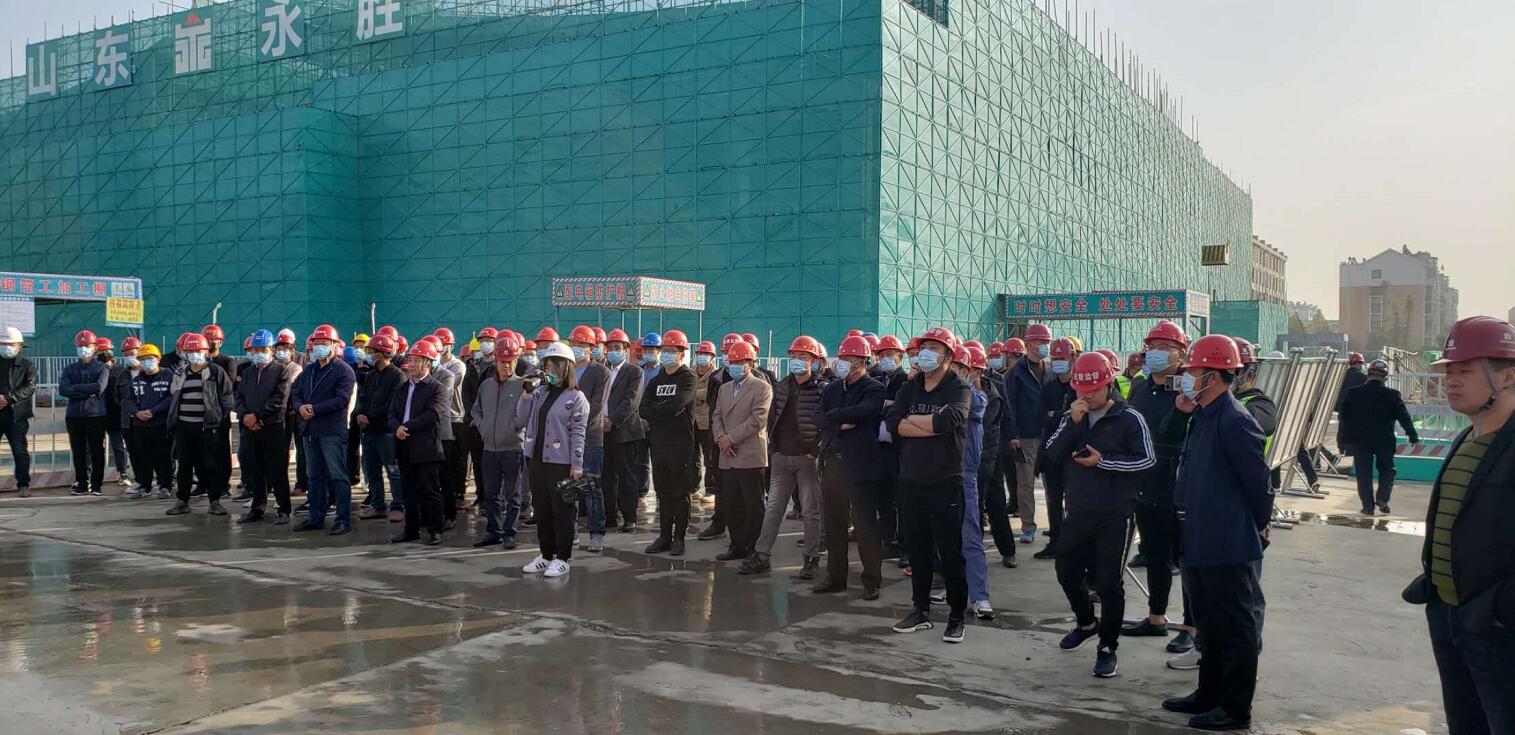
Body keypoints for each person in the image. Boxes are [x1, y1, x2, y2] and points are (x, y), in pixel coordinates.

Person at [1400, 315, 1515, 735]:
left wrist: (1498, 610)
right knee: (1465, 722)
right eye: (1449, 371)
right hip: (1450, 616)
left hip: (1499, 631)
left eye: (1465, 370)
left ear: (1508, 376)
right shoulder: (1466, 439)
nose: (1451, 381)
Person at [1161, 335, 1271, 732]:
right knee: (1208, 624)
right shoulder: (1203, 415)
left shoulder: (1235, 420)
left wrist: (1259, 524)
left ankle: (1235, 707)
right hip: (1198, 537)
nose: (1186, 377)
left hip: (1227, 542)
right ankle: (1208, 693)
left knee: (1235, 628)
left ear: (1213, 375)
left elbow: (1258, 482)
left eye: (1192, 371)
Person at [1046, 351, 1155, 679]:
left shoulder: (1129, 417)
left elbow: (1146, 460)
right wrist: (1072, 424)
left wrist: (1103, 462)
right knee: (1066, 570)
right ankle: (1086, 622)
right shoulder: (1073, 416)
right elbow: (1051, 455)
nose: (1087, 396)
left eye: (1093, 390)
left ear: (1109, 384)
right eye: (1081, 390)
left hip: (1115, 512)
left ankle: (1108, 645)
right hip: (1079, 509)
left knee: (1108, 582)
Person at [887, 327, 972, 643]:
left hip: (945, 481)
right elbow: (892, 423)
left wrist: (913, 423)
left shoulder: (958, 388)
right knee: (918, 550)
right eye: (925, 348)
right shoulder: (910, 388)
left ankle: (956, 616)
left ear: (948, 356)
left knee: (950, 553)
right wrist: (928, 426)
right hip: (911, 480)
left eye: (934, 349)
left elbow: (948, 421)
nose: (926, 354)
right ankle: (920, 610)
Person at [1124, 320, 1191, 645]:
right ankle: (1156, 617)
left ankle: (1191, 628)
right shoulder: (1140, 387)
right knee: (1155, 553)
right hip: (1144, 481)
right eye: (1153, 347)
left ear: (1182, 354)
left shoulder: (1188, 388)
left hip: (1178, 481)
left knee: (1187, 558)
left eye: (1166, 348)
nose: (1157, 353)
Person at [742, 335, 827, 576]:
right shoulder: (781, 386)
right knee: (774, 509)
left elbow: (825, 422)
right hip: (781, 456)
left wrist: (814, 451)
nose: (797, 360)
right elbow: (772, 418)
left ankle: (811, 558)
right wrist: (774, 448)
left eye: (803, 356)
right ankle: (761, 555)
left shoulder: (821, 389)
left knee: (810, 511)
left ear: (813, 360)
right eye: (794, 356)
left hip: (807, 459)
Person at [816, 335, 886, 598]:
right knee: (834, 525)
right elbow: (819, 417)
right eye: (842, 358)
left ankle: (872, 581)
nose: (843, 363)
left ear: (862, 361)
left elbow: (864, 412)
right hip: (833, 462)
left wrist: (834, 418)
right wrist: (839, 421)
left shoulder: (874, 388)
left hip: (861, 466)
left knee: (865, 526)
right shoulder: (833, 389)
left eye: (849, 359)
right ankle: (836, 577)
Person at [519, 343, 589, 578]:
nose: (549, 371)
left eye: (553, 367)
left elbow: (578, 433)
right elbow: (521, 418)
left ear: (565, 368)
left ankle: (562, 558)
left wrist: (576, 465)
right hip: (537, 458)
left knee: (562, 512)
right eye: (546, 367)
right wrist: (526, 394)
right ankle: (546, 554)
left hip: (561, 462)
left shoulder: (576, 398)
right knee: (542, 510)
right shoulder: (540, 393)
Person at [290, 325, 358, 535]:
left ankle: (343, 519)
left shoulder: (343, 371)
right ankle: (315, 517)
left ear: (335, 345)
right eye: (316, 344)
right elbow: (295, 391)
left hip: (331, 431)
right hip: (310, 431)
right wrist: (300, 407)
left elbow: (342, 399)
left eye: (324, 344)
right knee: (314, 476)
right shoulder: (309, 370)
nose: (319, 347)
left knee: (338, 476)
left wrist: (315, 409)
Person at [711, 339, 773, 566]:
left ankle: (755, 548)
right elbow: (716, 415)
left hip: (749, 454)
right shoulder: (724, 388)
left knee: (753, 505)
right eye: (732, 362)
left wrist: (731, 438)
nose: (734, 366)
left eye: (739, 362)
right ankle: (736, 545)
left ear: (750, 363)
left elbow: (758, 420)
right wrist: (720, 438)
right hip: (727, 454)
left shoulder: (762, 387)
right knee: (732, 503)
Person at [639, 330, 699, 555]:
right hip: (659, 443)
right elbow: (644, 408)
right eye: (665, 350)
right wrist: (662, 411)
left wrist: (659, 410)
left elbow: (677, 405)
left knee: (680, 493)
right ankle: (664, 536)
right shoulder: (657, 380)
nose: (667, 354)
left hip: (680, 444)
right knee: (663, 492)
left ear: (682, 354)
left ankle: (679, 537)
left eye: (672, 351)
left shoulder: (688, 378)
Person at [164, 333, 235, 516]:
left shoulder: (215, 371)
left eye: (198, 351)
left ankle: (214, 501)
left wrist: (218, 419)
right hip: (184, 427)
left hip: (207, 428)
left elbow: (227, 398)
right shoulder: (180, 372)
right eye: (190, 351)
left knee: (210, 464)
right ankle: (182, 501)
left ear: (205, 351)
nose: (194, 354)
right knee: (184, 465)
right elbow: (174, 396)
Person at [1339, 359, 1419, 515]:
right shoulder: (1392, 395)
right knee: (1388, 469)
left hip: (1360, 440)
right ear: (1385, 377)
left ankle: (1368, 507)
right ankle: (1382, 498)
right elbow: (1404, 417)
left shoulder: (1353, 393)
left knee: (1363, 474)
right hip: (1384, 440)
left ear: (1368, 374)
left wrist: (1344, 439)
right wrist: (1412, 434)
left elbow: (1344, 417)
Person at [389, 339, 449, 546]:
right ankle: (411, 529)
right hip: (404, 446)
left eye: (416, 360)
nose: (411, 364)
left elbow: (433, 413)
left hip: (426, 447)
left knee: (430, 491)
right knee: (408, 490)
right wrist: (396, 427)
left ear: (427, 363)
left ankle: (435, 530)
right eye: (411, 359)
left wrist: (407, 427)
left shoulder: (437, 388)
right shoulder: (403, 387)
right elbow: (392, 412)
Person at [471, 336, 528, 549]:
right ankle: (493, 531)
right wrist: (483, 426)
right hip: (489, 449)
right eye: (503, 361)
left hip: (513, 448)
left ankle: (510, 533)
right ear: (495, 361)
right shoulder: (486, 386)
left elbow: (526, 415)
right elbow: (476, 409)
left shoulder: (522, 386)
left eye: (510, 361)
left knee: (513, 495)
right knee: (491, 494)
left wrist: (514, 427)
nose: (507, 366)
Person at [234, 329, 296, 524]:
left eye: (263, 349)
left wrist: (258, 417)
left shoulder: (281, 370)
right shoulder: (247, 372)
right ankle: (257, 508)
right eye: (256, 349)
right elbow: (239, 397)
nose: (259, 353)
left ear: (272, 349)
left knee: (277, 470)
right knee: (255, 470)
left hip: (272, 427)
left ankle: (284, 509)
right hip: (250, 428)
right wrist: (245, 416)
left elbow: (280, 399)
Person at [1003, 323, 1052, 544]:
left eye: (1047, 343)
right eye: (1041, 342)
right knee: (1026, 484)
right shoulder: (1015, 373)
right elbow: (1009, 405)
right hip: (1025, 435)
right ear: (1029, 344)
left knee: (1052, 483)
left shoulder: (1050, 370)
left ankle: (1056, 526)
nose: (1044, 347)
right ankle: (1028, 526)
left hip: (1048, 434)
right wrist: (1013, 435)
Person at [955, 345, 994, 619]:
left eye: (958, 369)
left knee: (970, 536)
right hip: (938, 472)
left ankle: (980, 596)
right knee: (941, 538)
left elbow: (975, 405)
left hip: (965, 475)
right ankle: (949, 588)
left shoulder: (977, 397)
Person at [1032, 336, 1079, 559]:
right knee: (1053, 499)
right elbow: (1040, 416)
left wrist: (1056, 415)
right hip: (1051, 452)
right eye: (1055, 358)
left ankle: (1072, 542)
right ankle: (1055, 542)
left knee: (1074, 500)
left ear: (1073, 357)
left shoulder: (1079, 386)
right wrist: (1064, 415)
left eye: (1062, 358)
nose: (1058, 362)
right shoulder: (1050, 385)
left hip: (1073, 453)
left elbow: (1079, 419)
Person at [567, 325, 612, 552]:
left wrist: (574, 423)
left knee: (592, 487)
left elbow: (596, 406)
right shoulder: (566, 370)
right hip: (566, 438)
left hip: (590, 437)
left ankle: (596, 534)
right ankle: (571, 532)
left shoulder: (601, 373)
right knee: (570, 487)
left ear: (591, 348)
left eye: (582, 345)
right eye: (575, 344)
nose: (578, 348)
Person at [356, 335, 407, 523]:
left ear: (382, 353)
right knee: (372, 471)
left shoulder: (398, 376)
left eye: (372, 351)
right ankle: (378, 505)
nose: (369, 355)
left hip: (387, 431)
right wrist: (360, 414)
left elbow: (394, 403)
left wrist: (369, 416)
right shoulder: (371, 376)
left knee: (393, 470)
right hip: (369, 431)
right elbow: (362, 398)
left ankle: (398, 506)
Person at [60, 329, 111, 496]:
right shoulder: (70, 369)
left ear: (95, 347)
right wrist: (86, 391)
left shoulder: (102, 368)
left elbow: (99, 387)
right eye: (80, 346)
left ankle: (96, 484)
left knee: (97, 450)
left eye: (87, 346)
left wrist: (75, 388)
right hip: (74, 416)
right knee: (78, 451)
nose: (83, 349)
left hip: (95, 415)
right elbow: (63, 389)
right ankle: (82, 483)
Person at [874, 335, 909, 560]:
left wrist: (889, 405)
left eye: (890, 354)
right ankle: (887, 540)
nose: (886, 358)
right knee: (883, 497)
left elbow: (903, 407)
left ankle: (904, 545)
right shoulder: (878, 380)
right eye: (882, 355)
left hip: (900, 448)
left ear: (900, 357)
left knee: (901, 499)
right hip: (880, 448)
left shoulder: (906, 381)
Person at [125, 344, 174, 500]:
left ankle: (164, 485)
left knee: (163, 456)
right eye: (143, 359)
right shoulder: (136, 381)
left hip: (161, 423)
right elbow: (128, 400)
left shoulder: (168, 376)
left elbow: (171, 397)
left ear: (158, 359)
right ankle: (144, 485)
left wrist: (154, 411)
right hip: (140, 424)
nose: (147, 362)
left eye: (150, 358)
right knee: (142, 456)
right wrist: (136, 412)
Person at [692, 340, 727, 541]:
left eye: (706, 355)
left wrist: (693, 393)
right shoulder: (691, 372)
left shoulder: (715, 375)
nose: (702, 358)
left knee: (709, 458)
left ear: (713, 358)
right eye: (700, 354)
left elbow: (709, 394)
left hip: (708, 422)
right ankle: (694, 487)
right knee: (693, 457)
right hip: (692, 422)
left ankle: (710, 489)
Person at [1, 327, 39, 497]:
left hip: (17, 415)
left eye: (10, 344)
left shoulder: (26, 365)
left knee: (19, 451)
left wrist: (9, 398)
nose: (6, 347)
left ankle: (23, 484)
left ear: (19, 346)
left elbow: (30, 387)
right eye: (3, 343)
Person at [435, 328, 469, 514]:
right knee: (444, 459)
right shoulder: (433, 366)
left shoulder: (458, 366)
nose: (442, 348)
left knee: (458, 458)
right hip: (438, 418)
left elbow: (446, 387)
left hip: (455, 417)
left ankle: (459, 493)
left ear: (451, 345)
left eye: (445, 344)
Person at [101, 337, 133, 488]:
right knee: (93, 448)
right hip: (97, 414)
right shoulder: (94, 370)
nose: (103, 354)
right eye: (100, 352)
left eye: (106, 351)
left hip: (115, 414)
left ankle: (123, 473)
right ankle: (93, 476)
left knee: (118, 446)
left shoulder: (120, 371)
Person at [1335, 352, 1369, 456]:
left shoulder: (1341, 376)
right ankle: (1351, 450)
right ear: (1358, 364)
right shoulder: (1363, 378)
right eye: (1361, 364)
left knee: (1342, 428)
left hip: (1342, 407)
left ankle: (1342, 448)